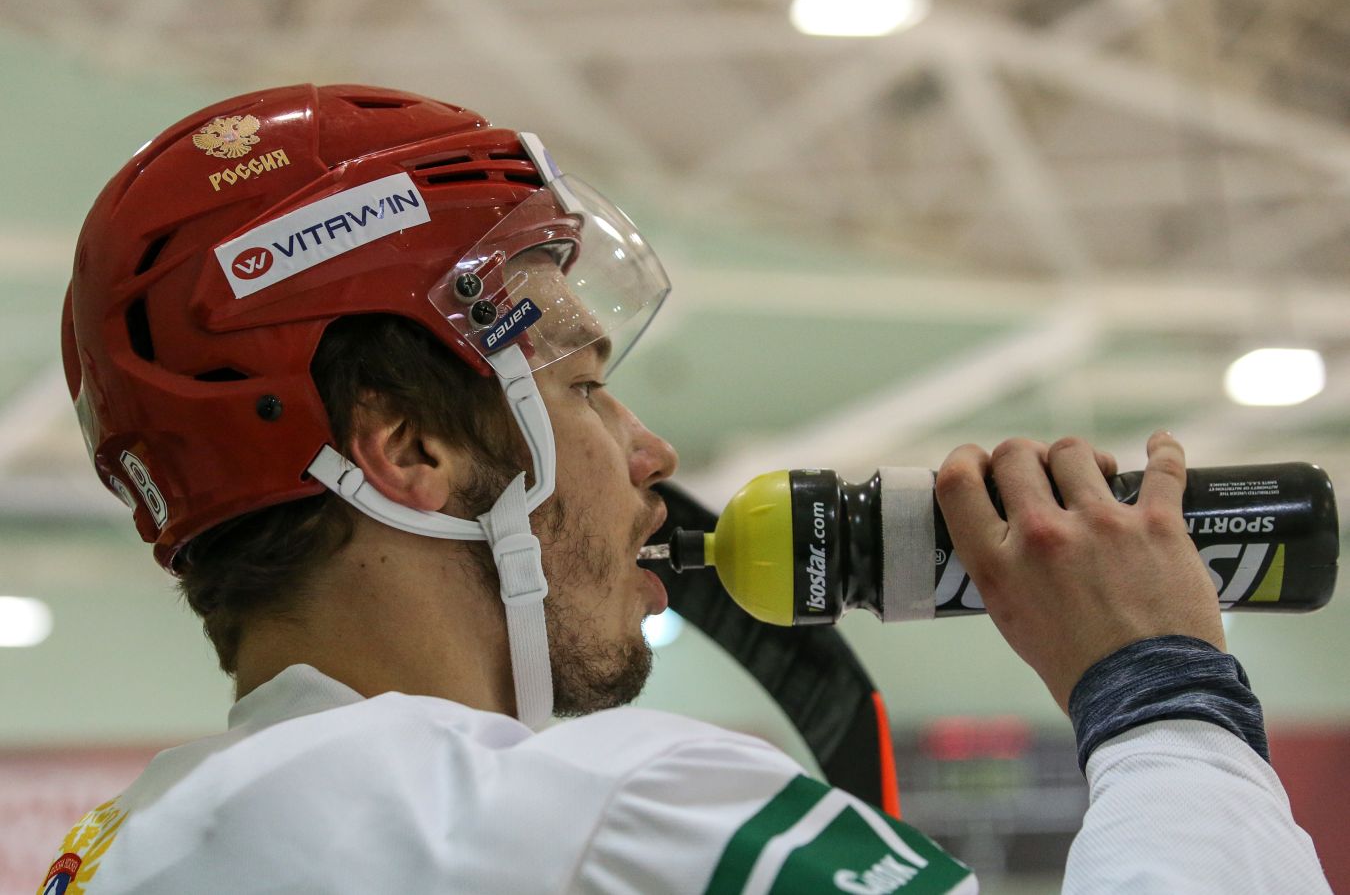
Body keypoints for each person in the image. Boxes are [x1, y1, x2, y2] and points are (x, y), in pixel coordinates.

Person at [43, 84, 1328, 894]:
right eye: (589, 387)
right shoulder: (588, 819)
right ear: (408, 455)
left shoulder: (115, 849)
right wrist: (1161, 689)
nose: (649, 451)